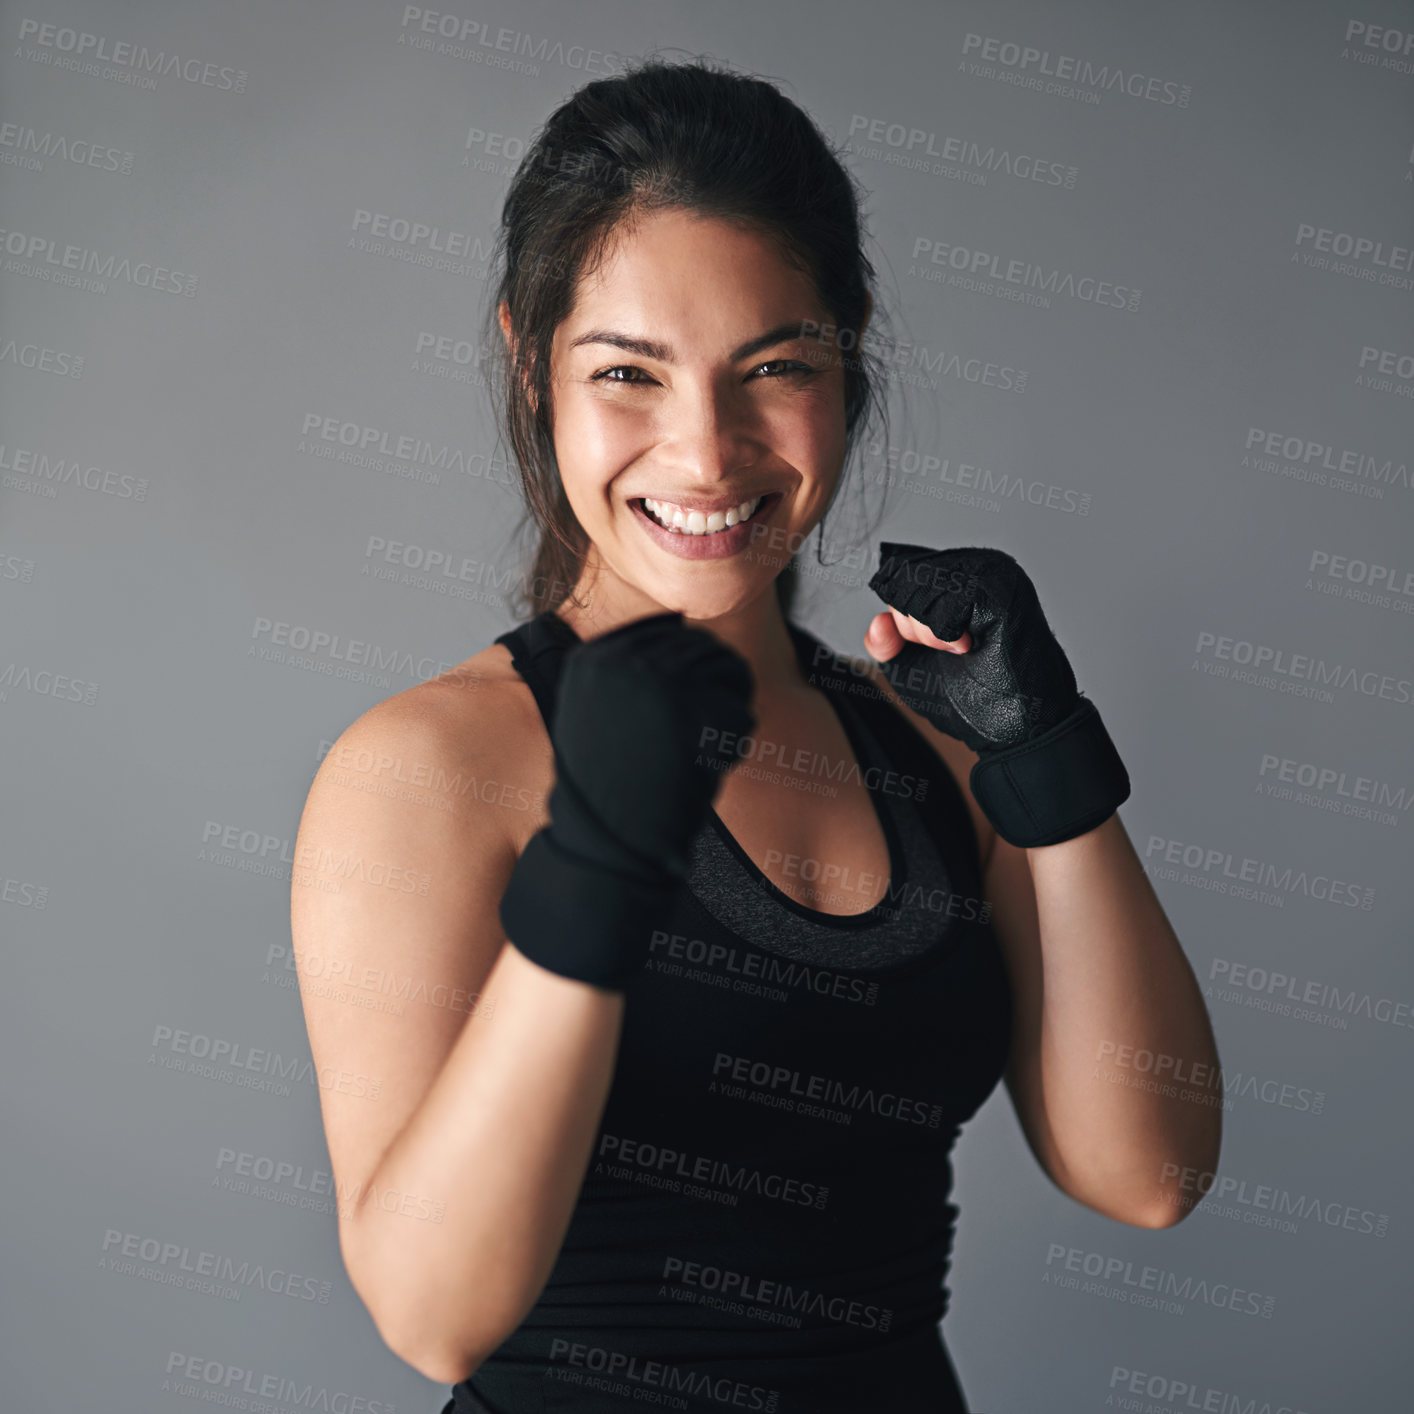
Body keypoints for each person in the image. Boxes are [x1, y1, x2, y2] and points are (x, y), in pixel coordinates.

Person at [290, 54, 1223, 1414]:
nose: (707, 453)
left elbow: (1146, 1172)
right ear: (527, 362)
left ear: (849, 354)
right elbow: (434, 1317)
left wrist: (1048, 765)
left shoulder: (932, 740)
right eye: (627, 373)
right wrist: (594, 869)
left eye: (773, 366)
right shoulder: (429, 770)